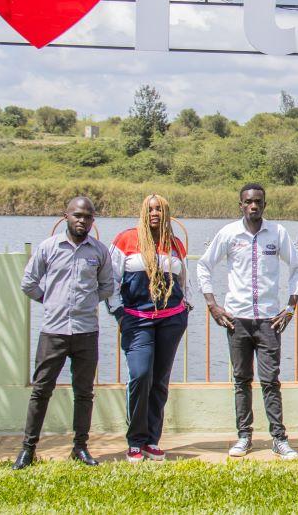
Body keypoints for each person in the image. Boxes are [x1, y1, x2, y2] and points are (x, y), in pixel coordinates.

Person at [195, 183, 298, 460]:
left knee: (270, 381)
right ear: (241, 205)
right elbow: (204, 265)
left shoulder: (277, 233)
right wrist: (212, 304)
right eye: (248, 202)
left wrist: (290, 307)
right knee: (241, 380)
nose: (253, 206)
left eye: (258, 201)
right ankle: (244, 437)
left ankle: (279, 439)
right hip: (237, 320)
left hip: (269, 320)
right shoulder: (229, 234)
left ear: (264, 205)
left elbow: (297, 267)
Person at [13, 196, 116, 469]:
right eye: (77, 215)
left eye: (88, 216)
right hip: (53, 331)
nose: (82, 220)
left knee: (84, 393)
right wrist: (50, 300)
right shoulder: (48, 248)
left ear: (93, 221)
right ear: (66, 216)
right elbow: (29, 283)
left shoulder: (99, 251)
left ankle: (80, 447)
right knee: (41, 390)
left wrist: (87, 301)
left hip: (86, 331)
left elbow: (107, 286)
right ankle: (28, 449)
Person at [109, 194, 190, 463]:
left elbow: (184, 280)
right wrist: (119, 314)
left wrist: (185, 309)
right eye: (150, 209)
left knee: (159, 380)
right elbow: (111, 280)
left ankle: (152, 440)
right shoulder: (126, 239)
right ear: (143, 212)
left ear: (166, 213)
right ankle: (135, 441)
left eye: (159, 209)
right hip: (137, 320)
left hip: (171, 320)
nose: (155, 213)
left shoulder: (175, 244)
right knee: (141, 375)